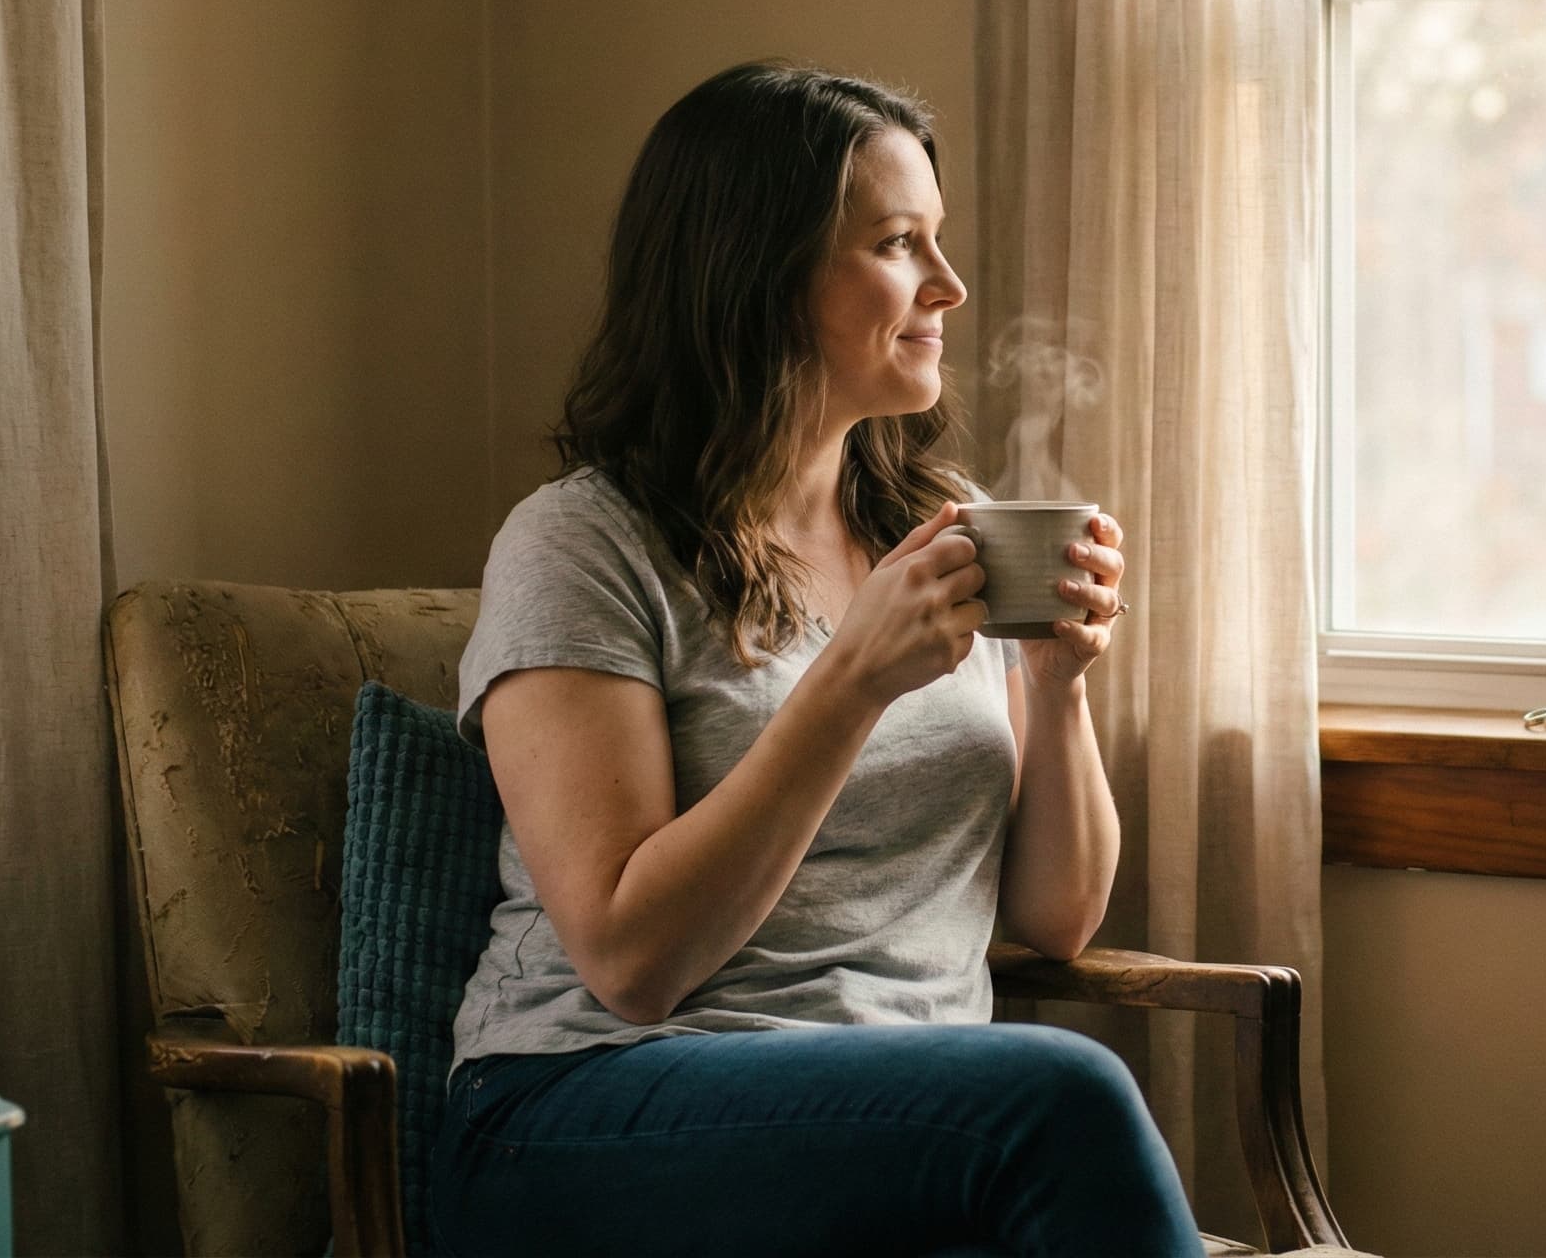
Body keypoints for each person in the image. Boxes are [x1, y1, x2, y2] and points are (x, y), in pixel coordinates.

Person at [428, 61, 1199, 1258]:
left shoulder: (935, 526)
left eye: (936, 243)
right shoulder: (581, 543)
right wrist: (852, 678)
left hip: (893, 1123)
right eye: (898, 244)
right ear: (758, 273)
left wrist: (1057, 682)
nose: (946, 286)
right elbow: (634, 962)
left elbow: (1057, 918)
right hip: (586, 1110)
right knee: (1062, 1093)